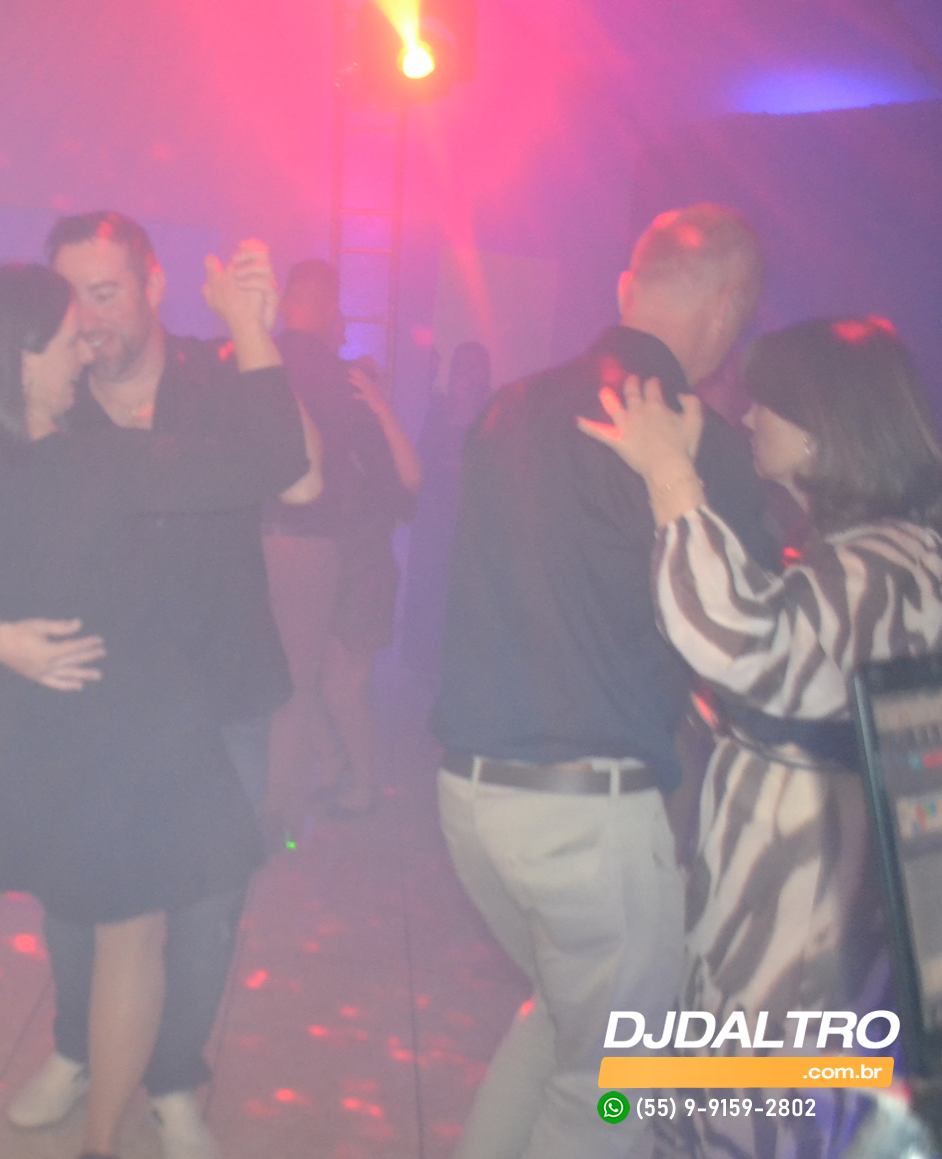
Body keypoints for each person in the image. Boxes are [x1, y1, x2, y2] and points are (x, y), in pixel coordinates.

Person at [0, 254, 305, 1159]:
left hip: (20, 731)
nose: (85, 352)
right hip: (131, 742)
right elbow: (280, 461)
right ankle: (102, 1143)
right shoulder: (112, 463)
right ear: (21, 356)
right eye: (70, 340)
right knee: (129, 934)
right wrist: (247, 325)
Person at [432, 204, 781, 1159]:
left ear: (630, 287)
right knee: (612, 1090)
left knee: (561, 1022)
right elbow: (752, 638)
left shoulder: (509, 405)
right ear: (726, 308)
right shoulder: (693, 436)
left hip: (470, 796)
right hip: (586, 815)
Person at [579, 316, 942, 1159]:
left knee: (751, 1117)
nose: (747, 416)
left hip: (800, 909)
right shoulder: (899, 549)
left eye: (766, 403)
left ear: (819, 429)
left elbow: (738, 640)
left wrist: (671, 476)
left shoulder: (880, 564)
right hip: (827, 899)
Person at [263, 259, 420, 829]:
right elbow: (399, 487)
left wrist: (380, 408)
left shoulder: (289, 372)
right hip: (331, 556)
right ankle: (332, 770)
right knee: (312, 681)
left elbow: (407, 484)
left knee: (331, 686)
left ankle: (358, 784)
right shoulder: (337, 384)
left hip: (352, 563)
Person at [402, 340, 491, 681]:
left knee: (461, 615)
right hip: (432, 532)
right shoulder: (436, 412)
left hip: (468, 536)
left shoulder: (491, 418)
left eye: (474, 367)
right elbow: (418, 465)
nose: (466, 374)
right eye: (461, 366)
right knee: (427, 609)